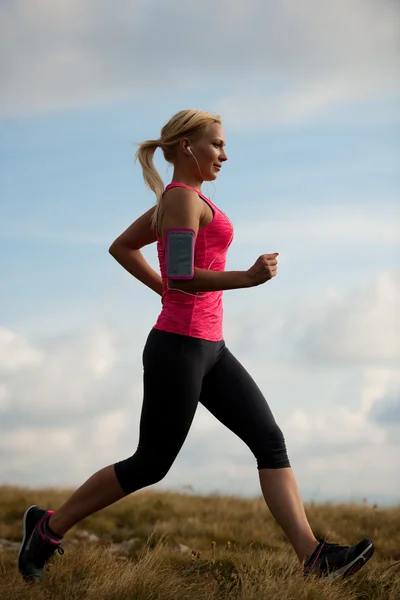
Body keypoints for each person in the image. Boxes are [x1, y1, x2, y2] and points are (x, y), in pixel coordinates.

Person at [18, 109, 374, 583]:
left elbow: (125, 248)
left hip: (212, 349)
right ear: (187, 147)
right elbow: (181, 274)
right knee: (150, 464)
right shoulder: (182, 200)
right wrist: (244, 279)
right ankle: (47, 528)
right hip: (178, 349)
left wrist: (164, 289)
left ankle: (314, 557)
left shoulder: (183, 200)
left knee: (269, 441)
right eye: (217, 145)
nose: (224, 155)